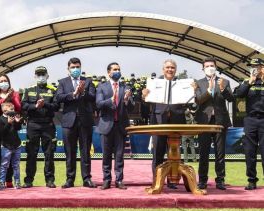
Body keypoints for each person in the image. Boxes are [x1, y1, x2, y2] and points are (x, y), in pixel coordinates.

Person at [142, 59, 186, 189]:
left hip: (176, 121)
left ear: (175, 70)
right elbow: (147, 103)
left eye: (172, 67)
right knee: (158, 153)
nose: (170, 69)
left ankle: (172, 181)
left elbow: (189, 101)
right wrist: (144, 96)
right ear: (163, 69)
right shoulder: (154, 83)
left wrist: (192, 91)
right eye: (167, 67)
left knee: (174, 153)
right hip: (158, 121)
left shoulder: (181, 83)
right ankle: (157, 180)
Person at [195, 57, 235, 190]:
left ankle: (220, 180)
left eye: (212, 65)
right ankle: (202, 180)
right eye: (207, 66)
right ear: (203, 68)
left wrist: (223, 89)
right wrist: (209, 90)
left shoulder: (224, 81)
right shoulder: (199, 83)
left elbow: (231, 98)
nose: (209, 68)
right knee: (203, 152)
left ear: (216, 67)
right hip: (204, 121)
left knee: (220, 152)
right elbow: (198, 100)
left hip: (220, 120)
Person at [56, 57, 96, 188]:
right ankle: (70, 179)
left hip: (85, 120)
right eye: (72, 67)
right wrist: (73, 94)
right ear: (68, 69)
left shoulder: (88, 81)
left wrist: (82, 92)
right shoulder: (62, 82)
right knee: (70, 151)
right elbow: (59, 97)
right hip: (69, 121)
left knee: (85, 151)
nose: (75, 69)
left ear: (81, 68)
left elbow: (93, 97)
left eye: (77, 67)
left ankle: (86, 178)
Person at [96, 62, 134, 190]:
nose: (117, 71)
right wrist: (110, 100)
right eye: (114, 69)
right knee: (106, 156)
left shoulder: (126, 87)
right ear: (109, 72)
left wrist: (127, 100)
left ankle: (119, 180)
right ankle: (106, 180)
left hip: (121, 126)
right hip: (106, 125)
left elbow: (132, 107)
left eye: (118, 69)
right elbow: (99, 104)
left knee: (119, 156)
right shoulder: (102, 87)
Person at [22, 66, 59, 188]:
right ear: (35, 76)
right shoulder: (29, 89)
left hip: (48, 124)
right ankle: (28, 180)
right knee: (31, 153)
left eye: (43, 74)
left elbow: (57, 106)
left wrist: (45, 104)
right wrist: (35, 107)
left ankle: (49, 180)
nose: (41, 76)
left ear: (47, 76)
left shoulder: (53, 89)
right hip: (33, 124)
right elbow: (23, 106)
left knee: (49, 154)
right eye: (38, 74)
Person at [235, 58, 264, 190]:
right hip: (250, 120)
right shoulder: (246, 82)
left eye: (257, 66)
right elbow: (239, 95)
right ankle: (252, 180)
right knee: (250, 152)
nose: (254, 69)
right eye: (252, 67)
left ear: (262, 67)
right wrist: (250, 82)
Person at [0, 74, 21, 187]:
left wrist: (11, 97)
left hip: (12, 122)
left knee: (11, 151)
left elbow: (18, 107)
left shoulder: (15, 93)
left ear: (9, 82)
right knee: (0, 153)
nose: (3, 83)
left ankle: (9, 180)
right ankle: (1, 180)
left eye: (5, 80)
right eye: (1, 81)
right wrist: (4, 97)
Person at [0, 102, 22, 190]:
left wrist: (18, 122)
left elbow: (18, 128)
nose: (13, 111)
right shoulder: (0, 120)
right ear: (4, 109)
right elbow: (2, 133)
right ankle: (1, 183)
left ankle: (17, 182)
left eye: (13, 109)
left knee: (16, 165)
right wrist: (8, 123)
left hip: (17, 145)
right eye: (11, 109)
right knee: (4, 165)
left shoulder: (14, 118)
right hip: (6, 146)